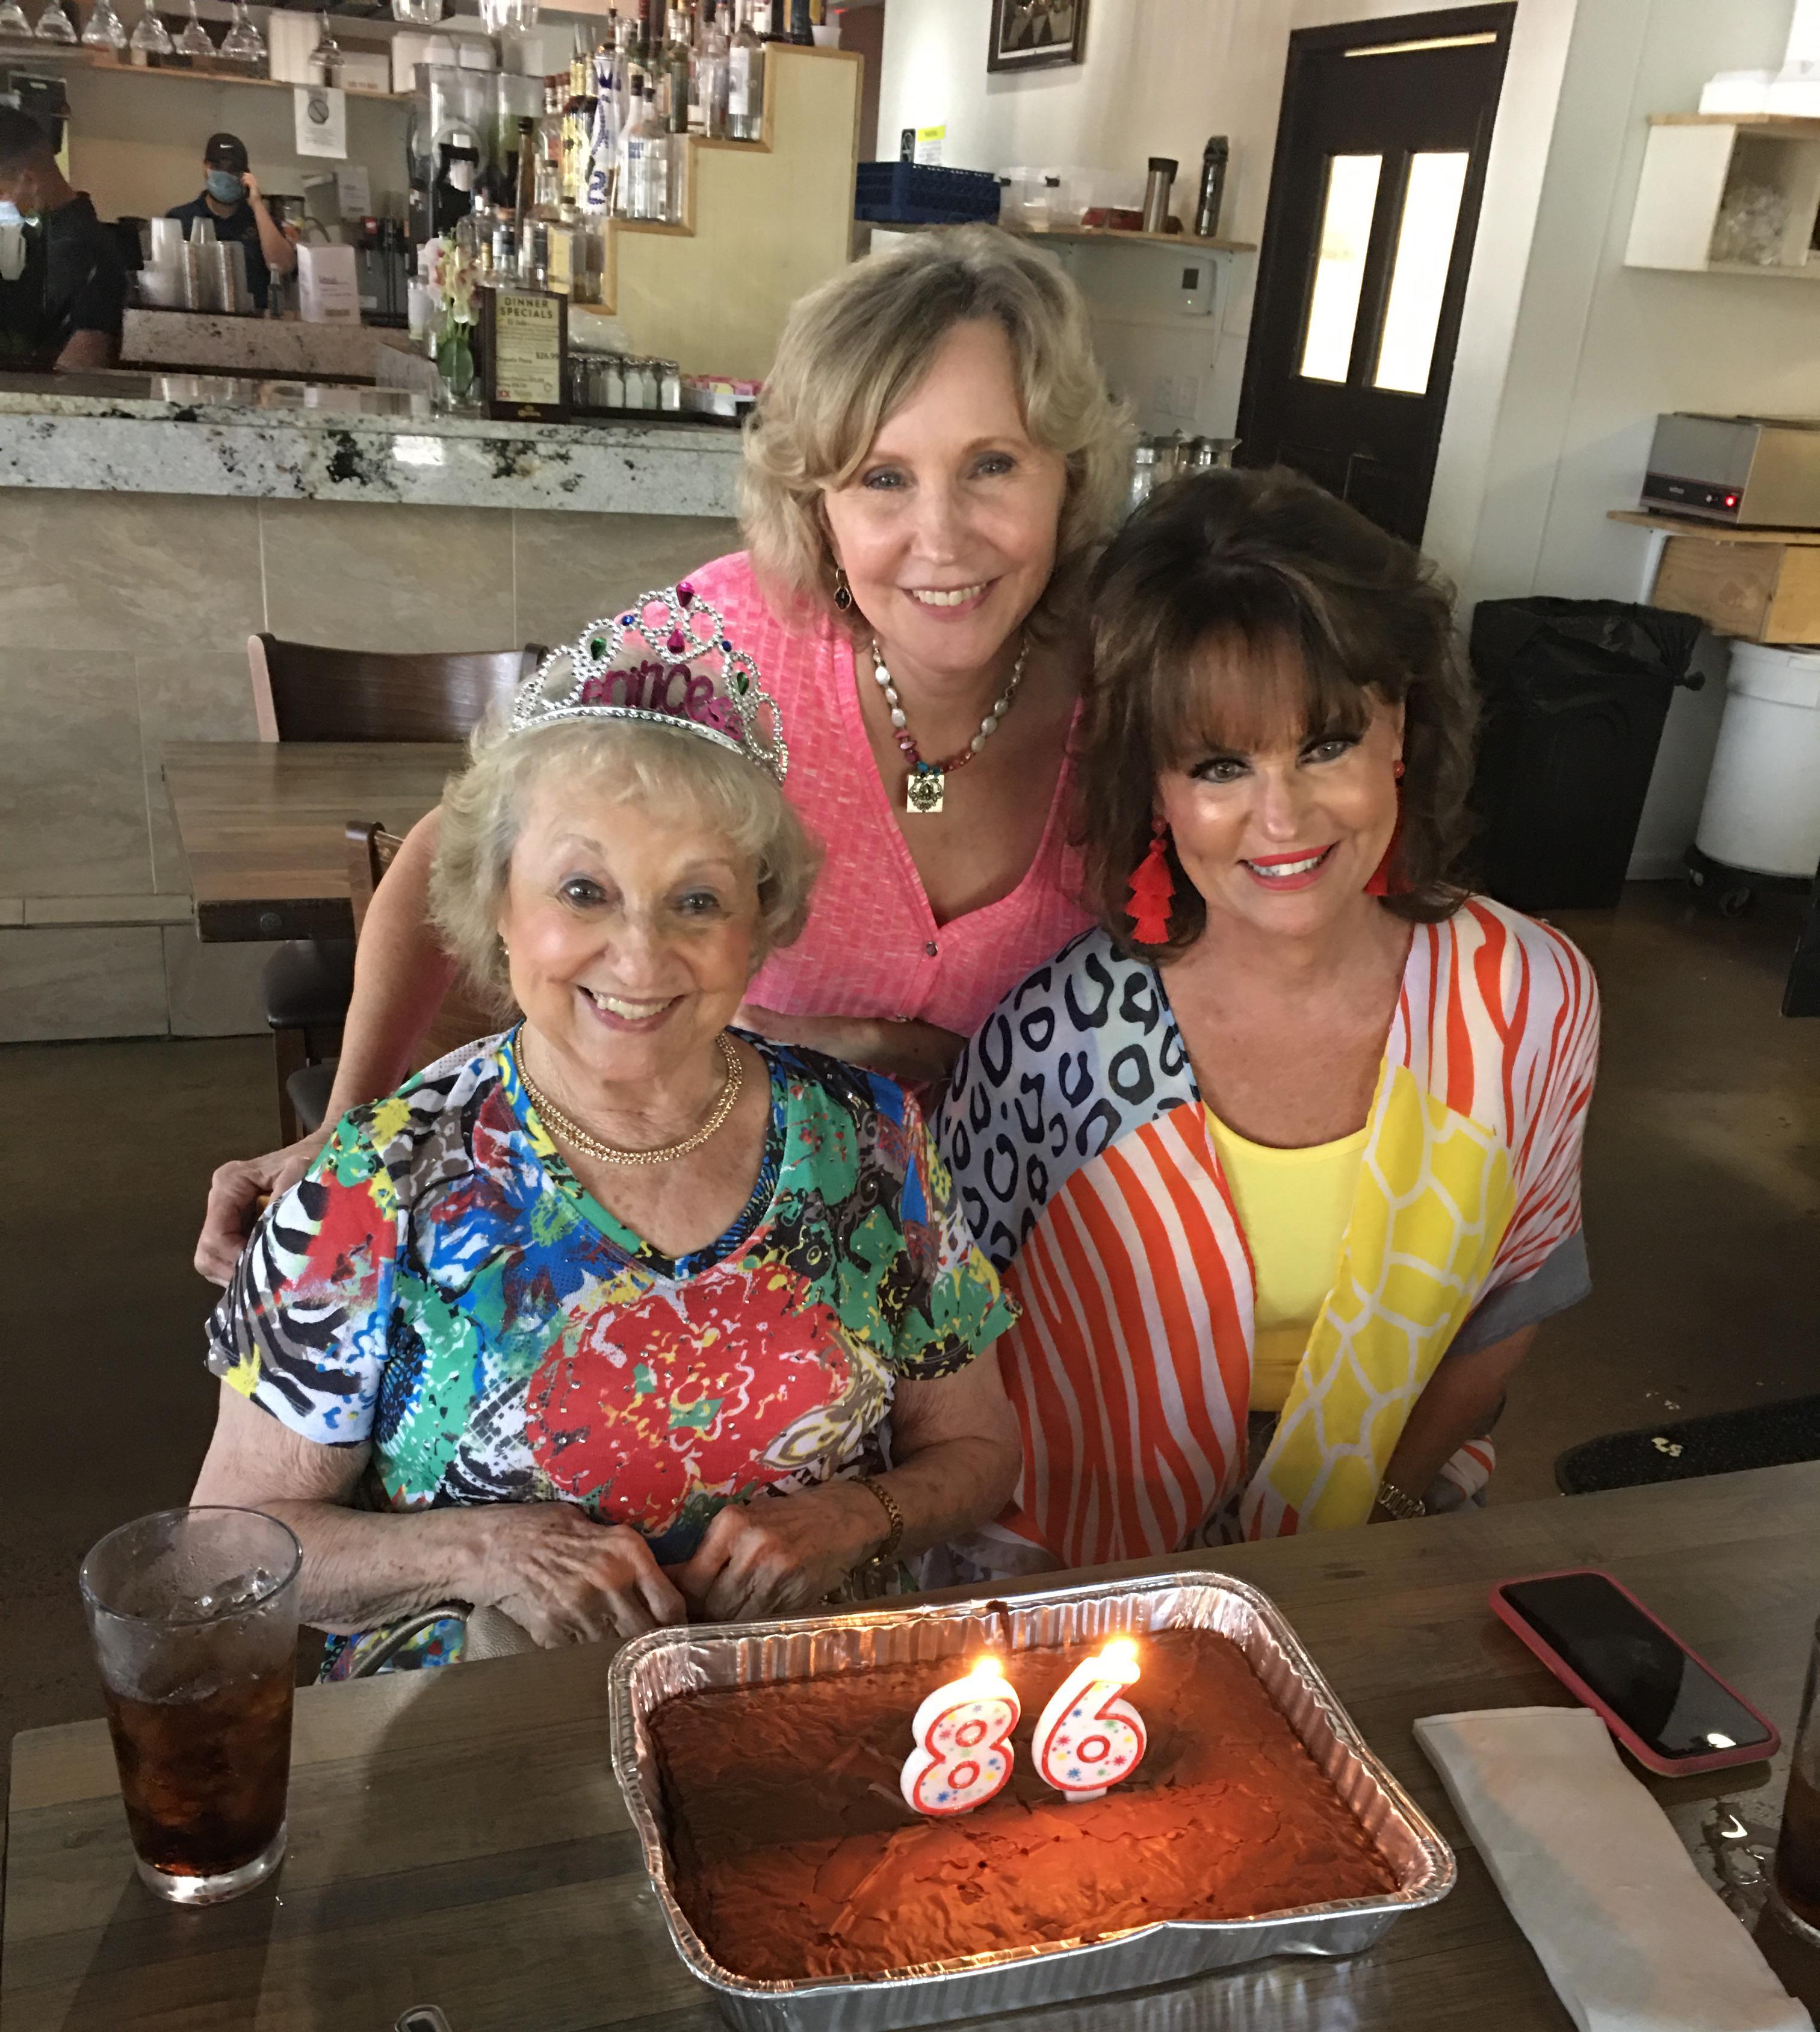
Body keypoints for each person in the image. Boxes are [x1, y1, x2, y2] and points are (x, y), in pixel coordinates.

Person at [193, 224, 1130, 1282]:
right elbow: (454, 853)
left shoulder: (1137, 680)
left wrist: (901, 1058)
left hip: (1028, 1259)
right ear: (817, 509)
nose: (942, 534)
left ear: (1070, 472)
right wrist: (349, 1135)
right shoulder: (724, 643)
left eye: (992, 464)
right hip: (718, 1244)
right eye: (880, 478)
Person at [192, 585, 1021, 1667]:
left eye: (695, 901)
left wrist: (853, 1519)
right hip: (484, 1738)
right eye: (583, 890)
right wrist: (481, 1553)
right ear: (496, 904)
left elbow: (976, 1448)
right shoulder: (374, 1186)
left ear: (757, 924)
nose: (638, 957)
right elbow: (229, 1550)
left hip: (801, 1702)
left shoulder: (870, 1144)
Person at [935, 468, 1600, 1570]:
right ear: (1152, 785)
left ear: (1402, 724)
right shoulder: (1053, 1043)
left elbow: (1509, 1297)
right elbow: (948, 1344)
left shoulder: (1528, 995)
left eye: (1326, 742)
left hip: (1385, 1529)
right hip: (1078, 1556)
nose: (1281, 817)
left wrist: (1358, 1535)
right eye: (1219, 764)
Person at [0, 104, 126, 373]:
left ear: (30, 181)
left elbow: (79, 369)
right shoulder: (36, 237)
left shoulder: (86, 253)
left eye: (1, 193)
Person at [166, 134, 296, 314]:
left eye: (233, 169)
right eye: (217, 166)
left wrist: (257, 204)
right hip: (194, 322)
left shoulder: (261, 221)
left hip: (254, 324)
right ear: (205, 167)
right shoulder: (181, 219)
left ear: (246, 175)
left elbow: (282, 265)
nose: (225, 174)